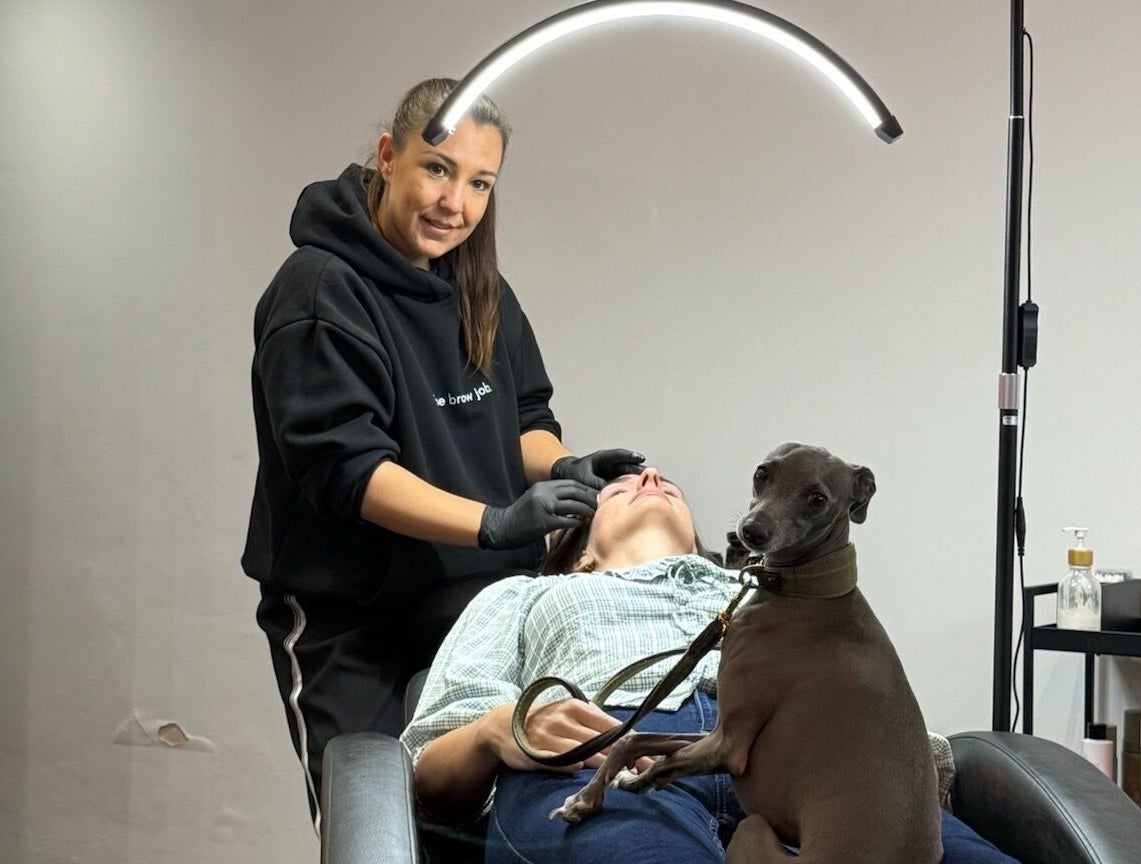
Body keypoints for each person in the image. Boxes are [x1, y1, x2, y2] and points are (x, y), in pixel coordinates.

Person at [241, 77, 643, 826]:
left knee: (483, 817)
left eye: (479, 182)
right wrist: (495, 523)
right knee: (375, 819)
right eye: (437, 168)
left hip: (475, 607)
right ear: (388, 157)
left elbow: (521, 416)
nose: (454, 202)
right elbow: (351, 472)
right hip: (352, 621)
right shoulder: (320, 291)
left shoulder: (477, 284)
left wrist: (560, 466)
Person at [403, 467, 1021, 864]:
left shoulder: (780, 594)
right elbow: (427, 776)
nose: (647, 474)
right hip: (612, 761)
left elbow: (876, 713)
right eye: (618, 488)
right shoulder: (527, 594)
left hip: (820, 783)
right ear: (581, 555)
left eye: (667, 482)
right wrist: (498, 726)